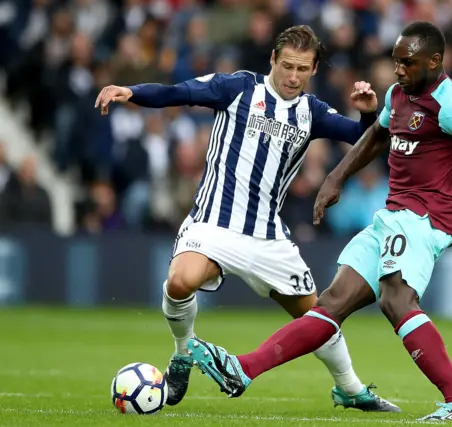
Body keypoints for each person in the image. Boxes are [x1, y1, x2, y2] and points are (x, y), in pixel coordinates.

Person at [184, 21, 452, 422]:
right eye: (395, 62)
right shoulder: (398, 94)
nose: (398, 71)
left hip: (424, 219)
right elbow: (376, 136)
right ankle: (244, 369)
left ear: (434, 61)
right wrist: (335, 177)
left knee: (397, 301)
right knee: (331, 303)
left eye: (407, 63)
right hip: (392, 216)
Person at [94, 25, 400, 412]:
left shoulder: (313, 112)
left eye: (302, 69)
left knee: (320, 320)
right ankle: (183, 353)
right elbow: (181, 92)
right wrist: (132, 92)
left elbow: (366, 138)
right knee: (179, 281)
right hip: (213, 224)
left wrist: (369, 111)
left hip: (268, 237)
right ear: (272, 59)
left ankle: (351, 389)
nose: (292, 76)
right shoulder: (238, 88)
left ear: (314, 69)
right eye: (287, 65)